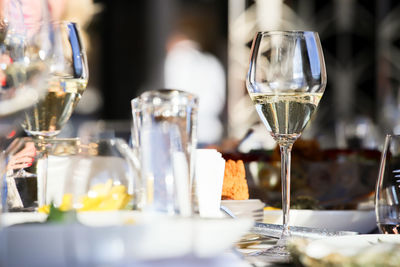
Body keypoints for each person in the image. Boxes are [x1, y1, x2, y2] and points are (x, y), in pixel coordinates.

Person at [164, 15, 226, 145]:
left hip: (183, 133)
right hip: (211, 132)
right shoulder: (212, 61)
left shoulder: (176, 58)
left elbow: (174, 96)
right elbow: (218, 100)